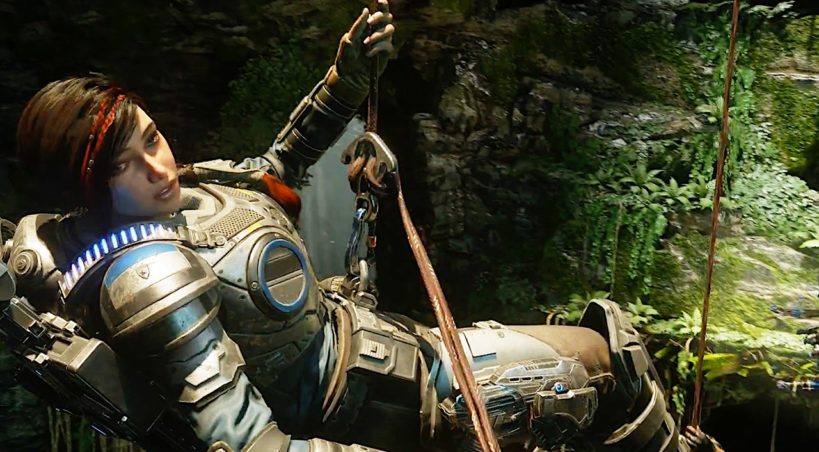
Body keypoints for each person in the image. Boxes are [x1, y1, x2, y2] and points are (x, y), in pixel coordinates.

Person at [0, 2, 720, 450]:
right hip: (390, 402)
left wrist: (344, 79)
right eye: (124, 166)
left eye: (153, 139)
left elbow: (275, 167)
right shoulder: (151, 277)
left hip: (383, 347)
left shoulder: (187, 191)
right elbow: (250, 445)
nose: (158, 167)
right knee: (606, 356)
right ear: (89, 189)